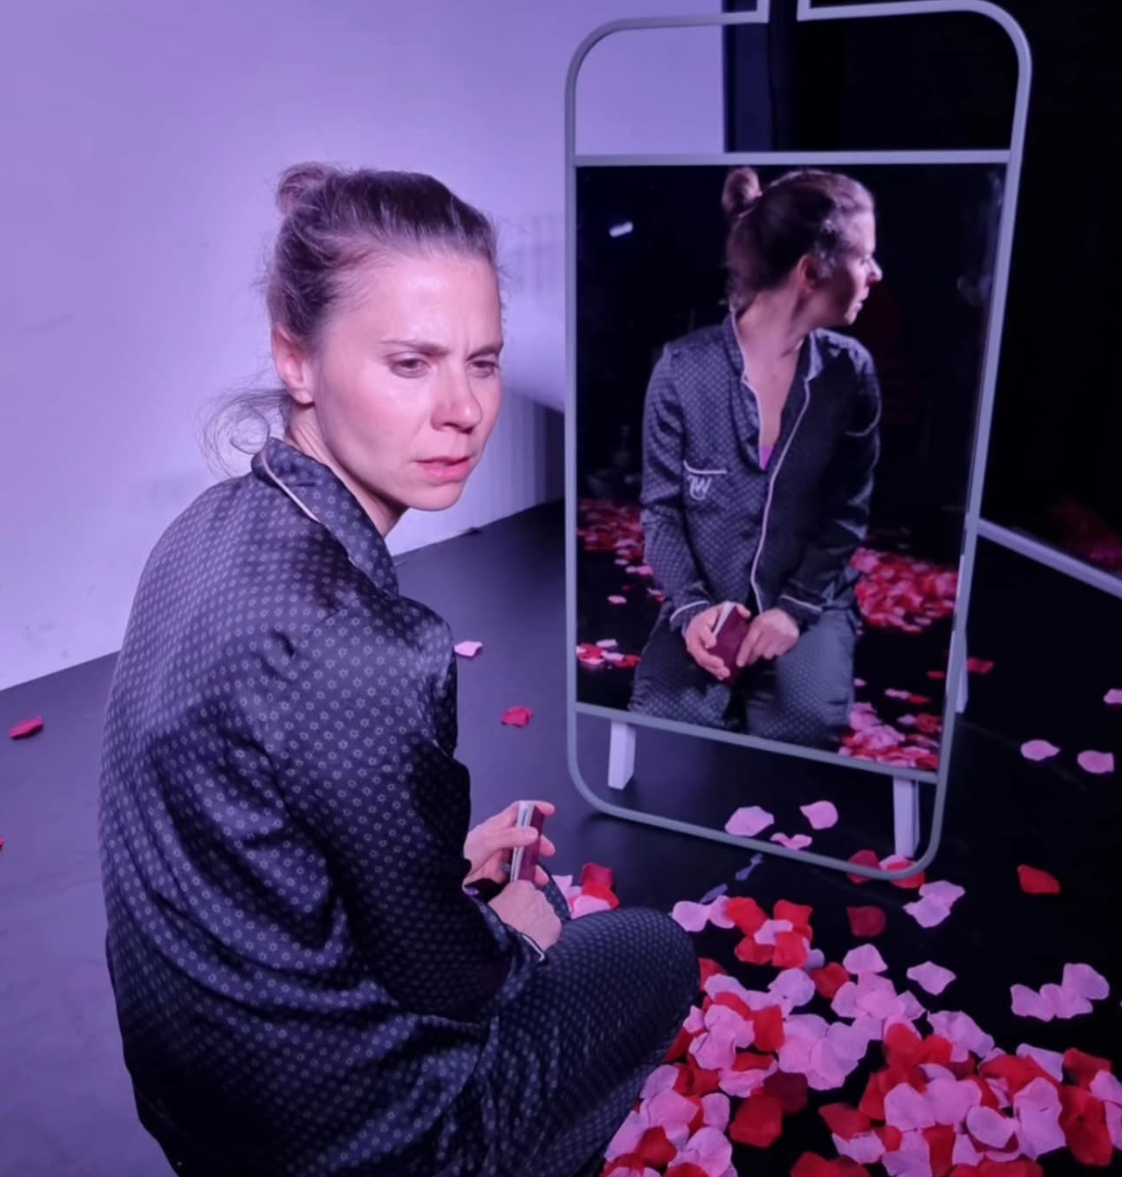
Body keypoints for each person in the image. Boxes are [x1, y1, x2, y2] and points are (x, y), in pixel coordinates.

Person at [97, 163, 698, 1177]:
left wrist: (436, 860)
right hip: (342, 1140)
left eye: (483, 361)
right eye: (411, 363)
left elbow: (254, 829)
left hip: (189, 1100)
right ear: (297, 359)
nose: (463, 409)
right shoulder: (366, 643)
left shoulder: (203, 527)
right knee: (641, 949)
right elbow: (447, 978)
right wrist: (512, 936)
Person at [629, 166, 884, 750]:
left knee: (800, 727)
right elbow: (662, 511)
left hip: (805, 594)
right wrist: (693, 609)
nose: (875, 274)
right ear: (810, 273)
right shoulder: (683, 371)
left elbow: (846, 511)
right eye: (864, 258)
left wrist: (793, 609)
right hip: (706, 595)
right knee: (667, 718)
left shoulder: (849, 374)